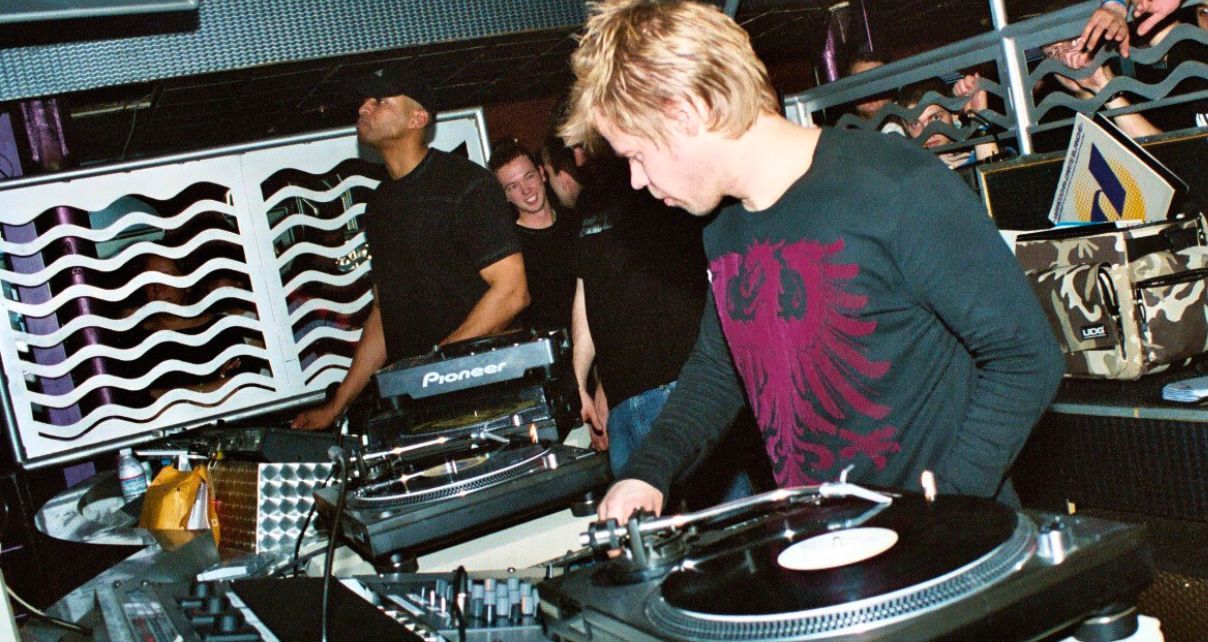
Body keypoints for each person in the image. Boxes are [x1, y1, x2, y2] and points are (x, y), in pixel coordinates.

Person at [558, 0, 1065, 522]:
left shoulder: (892, 183)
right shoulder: (722, 227)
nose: (638, 181)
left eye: (637, 156)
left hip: (947, 551)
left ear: (685, 113)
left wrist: (953, 498)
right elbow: (720, 368)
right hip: (827, 542)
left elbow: (1027, 356)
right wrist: (648, 470)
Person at [292, 66, 528, 430]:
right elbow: (386, 315)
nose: (363, 108)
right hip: (419, 408)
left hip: (482, 399)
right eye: (365, 101)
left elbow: (512, 292)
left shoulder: (465, 185)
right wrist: (336, 406)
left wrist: (434, 365)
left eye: (380, 101)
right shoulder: (379, 207)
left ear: (418, 118)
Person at [488, 138, 578, 332]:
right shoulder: (509, 248)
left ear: (542, 174)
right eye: (512, 186)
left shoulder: (576, 222)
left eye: (529, 176)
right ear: (505, 196)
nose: (525, 190)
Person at [899, 76, 1001, 168]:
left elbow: (995, 181)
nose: (928, 133)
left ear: (954, 115)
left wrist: (978, 120)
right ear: (906, 127)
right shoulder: (904, 171)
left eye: (935, 118)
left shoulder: (978, 155)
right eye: (915, 124)